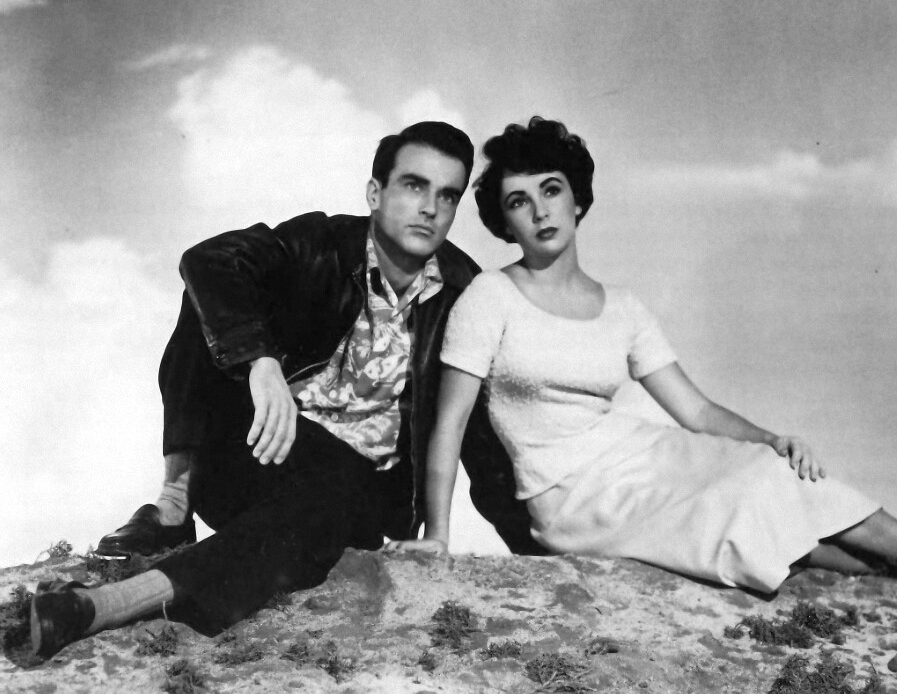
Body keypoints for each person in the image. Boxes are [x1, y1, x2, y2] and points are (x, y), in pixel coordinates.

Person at [388, 116, 897, 596]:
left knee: (767, 469)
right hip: (571, 498)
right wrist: (437, 534)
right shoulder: (490, 298)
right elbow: (447, 424)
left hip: (639, 455)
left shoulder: (623, 307)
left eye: (551, 189)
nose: (539, 211)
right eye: (518, 201)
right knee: (741, 505)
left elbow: (698, 411)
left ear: (578, 198)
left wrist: (773, 439)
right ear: (504, 222)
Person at [30, 121, 540, 660]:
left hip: (354, 496)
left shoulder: (463, 292)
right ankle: (174, 507)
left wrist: (537, 550)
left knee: (333, 486)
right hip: (264, 449)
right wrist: (262, 361)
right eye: (415, 185)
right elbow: (209, 260)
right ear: (375, 193)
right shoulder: (320, 242)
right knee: (210, 300)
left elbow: (480, 434)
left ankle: (100, 606)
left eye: (447, 195)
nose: (431, 208)